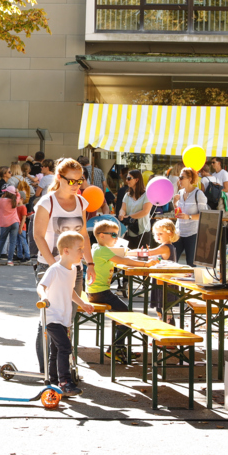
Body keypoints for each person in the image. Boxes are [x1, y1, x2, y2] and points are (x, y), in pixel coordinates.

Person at [32, 158, 95, 373]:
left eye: (80, 181)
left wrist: (91, 264)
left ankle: (63, 369)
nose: (77, 186)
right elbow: (38, 236)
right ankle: (46, 372)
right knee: (50, 319)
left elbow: (84, 235)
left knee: (68, 316)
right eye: (72, 181)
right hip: (49, 267)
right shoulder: (46, 202)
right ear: (59, 178)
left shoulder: (80, 202)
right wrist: (54, 266)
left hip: (74, 269)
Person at [36, 231, 93, 397]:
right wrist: (44, 296)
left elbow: (70, 291)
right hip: (52, 317)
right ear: (66, 251)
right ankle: (65, 382)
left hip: (64, 317)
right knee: (65, 347)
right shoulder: (54, 269)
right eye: (80, 249)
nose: (83, 253)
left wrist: (82, 303)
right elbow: (41, 286)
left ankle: (53, 381)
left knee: (56, 350)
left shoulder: (74, 269)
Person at [87, 220, 147, 362]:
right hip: (101, 292)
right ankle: (115, 348)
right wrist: (145, 264)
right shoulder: (103, 250)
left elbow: (122, 257)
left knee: (123, 315)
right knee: (126, 316)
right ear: (102, 235)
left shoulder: (97, 248)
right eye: (113, 235)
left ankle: (120, 348)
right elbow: (123, 261)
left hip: (95, 291)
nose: (116, 238)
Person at [172, 167, 208, 266]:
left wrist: (189, 217)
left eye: (181, 177)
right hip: (179, 232)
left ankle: (192, 281)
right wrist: (175, 203)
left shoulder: (198, 194)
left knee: (190, 263)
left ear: (190, 179)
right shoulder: (180, 193)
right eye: (179, 177)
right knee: (171, 260)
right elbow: (178, 214)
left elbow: (204, 215)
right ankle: (170, 281)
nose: (179, 180)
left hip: (192, 233)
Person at [118, 169, 152, 249]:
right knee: (129, 256)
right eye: (126, 178)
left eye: (129, 178)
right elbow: (123, 208)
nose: (127, 180)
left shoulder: (147, 194)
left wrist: (129, 216)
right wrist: (121, 214)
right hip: (129, 231)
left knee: (143, 256)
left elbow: (145, 211)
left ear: (137, 180)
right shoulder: (127, 195)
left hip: (143, 231)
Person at [0, 185, 20, 265]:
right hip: (15, 222)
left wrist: (1, 197)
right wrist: (17, 193)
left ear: (6, 193)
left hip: (5, 223)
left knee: (2, 240)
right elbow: (18, 195)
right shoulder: (15, 201)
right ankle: (10, 260)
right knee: (12, 242)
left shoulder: (1, 200)